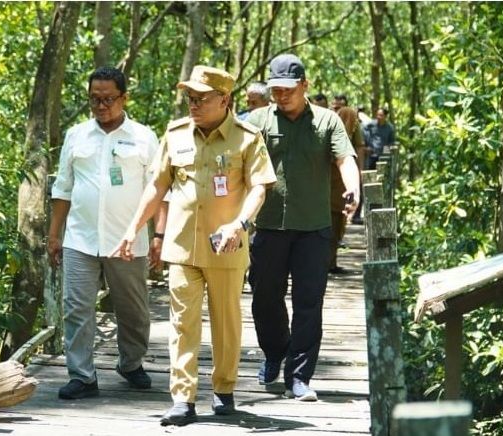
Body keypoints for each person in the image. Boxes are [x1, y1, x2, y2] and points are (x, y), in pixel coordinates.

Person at [114, 65, 276, 426]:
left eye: (201, 98)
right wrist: (133, 230)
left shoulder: (247, 138)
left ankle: (224, 389)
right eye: (190, 98)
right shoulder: (175, 134)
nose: (193, 104)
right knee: (182, 324)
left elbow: (260, 187)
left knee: (226, 323)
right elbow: (157, 186)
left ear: (225, 99)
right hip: (182, 246)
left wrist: (240, 223)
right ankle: (182, 399)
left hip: (226, 246)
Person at [246, 54, 360, 402]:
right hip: (268, 226)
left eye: (288, 90)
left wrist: (353, 188)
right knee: (265, 299)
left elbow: (345, 159)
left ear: (304, 86)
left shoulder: (327, 122)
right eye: (275, 90)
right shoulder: (258, 120)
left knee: (308, 302)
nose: (281, 96)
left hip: (313, 229)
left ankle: (299, 376)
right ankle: (274, 353)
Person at [48, 66, 164, 401]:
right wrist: (55, 234)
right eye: (94, 99)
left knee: (133, 309)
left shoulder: (144, 137)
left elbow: (158, 189)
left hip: (127, 240)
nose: (101, 106)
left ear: (124, 98)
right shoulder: (77, 135)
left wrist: (158, 236)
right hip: (80, 238)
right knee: (76, 307)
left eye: (108, 99)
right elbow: (63, 187)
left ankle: (131, 363)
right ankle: (82, 375)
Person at [330, 106, 365, 273]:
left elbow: (359, 151)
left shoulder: (352, 134)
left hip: (343, 190)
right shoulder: (332, 134)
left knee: (338, 226)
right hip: (330, 191)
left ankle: (331, 262)